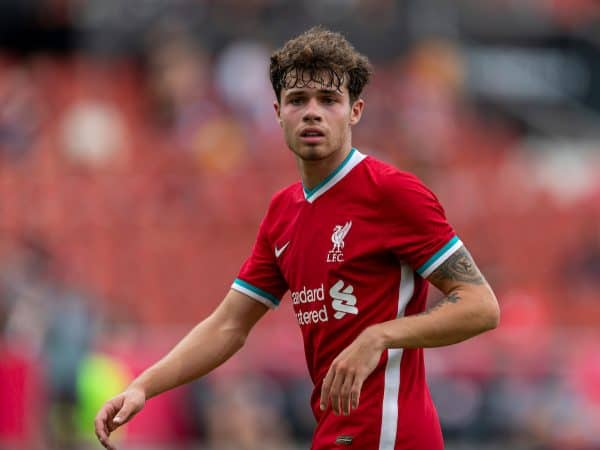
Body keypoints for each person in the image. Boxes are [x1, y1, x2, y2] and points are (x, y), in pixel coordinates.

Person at [94, 27, 500, 450]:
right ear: (277, 112)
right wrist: (143, 386)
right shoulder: (283, 213)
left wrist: (380, 335)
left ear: (355, 111)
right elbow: (230, 324)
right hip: (335, 432)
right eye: (298, 100)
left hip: (391, 435)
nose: (312, 112)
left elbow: (480, 305)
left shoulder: (392, 193)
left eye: (328, 100)